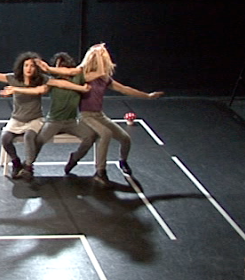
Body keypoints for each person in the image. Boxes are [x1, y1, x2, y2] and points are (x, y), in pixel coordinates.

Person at [38, 43, 164, 185]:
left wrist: (147, 96)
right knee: (105, 134)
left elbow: (124, 89)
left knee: (125, 138)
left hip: (99, 115)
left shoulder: (104, 78)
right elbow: (69, 71)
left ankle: (122, 161)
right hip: (86, 115)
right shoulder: (84, 75)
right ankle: (100, 171)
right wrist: (96, 52)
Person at [0, 52, 97, 177]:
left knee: (91, 136)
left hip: (72, 121)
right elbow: (44, 88)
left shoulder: (78, 79)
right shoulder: (50, 82)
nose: (60, 69)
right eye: (57, 67)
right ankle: (28, 165)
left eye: (63, 66)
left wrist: (83, 86)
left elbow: (92, 74)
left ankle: (74, 159)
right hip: (53, 121)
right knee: (37, 140)